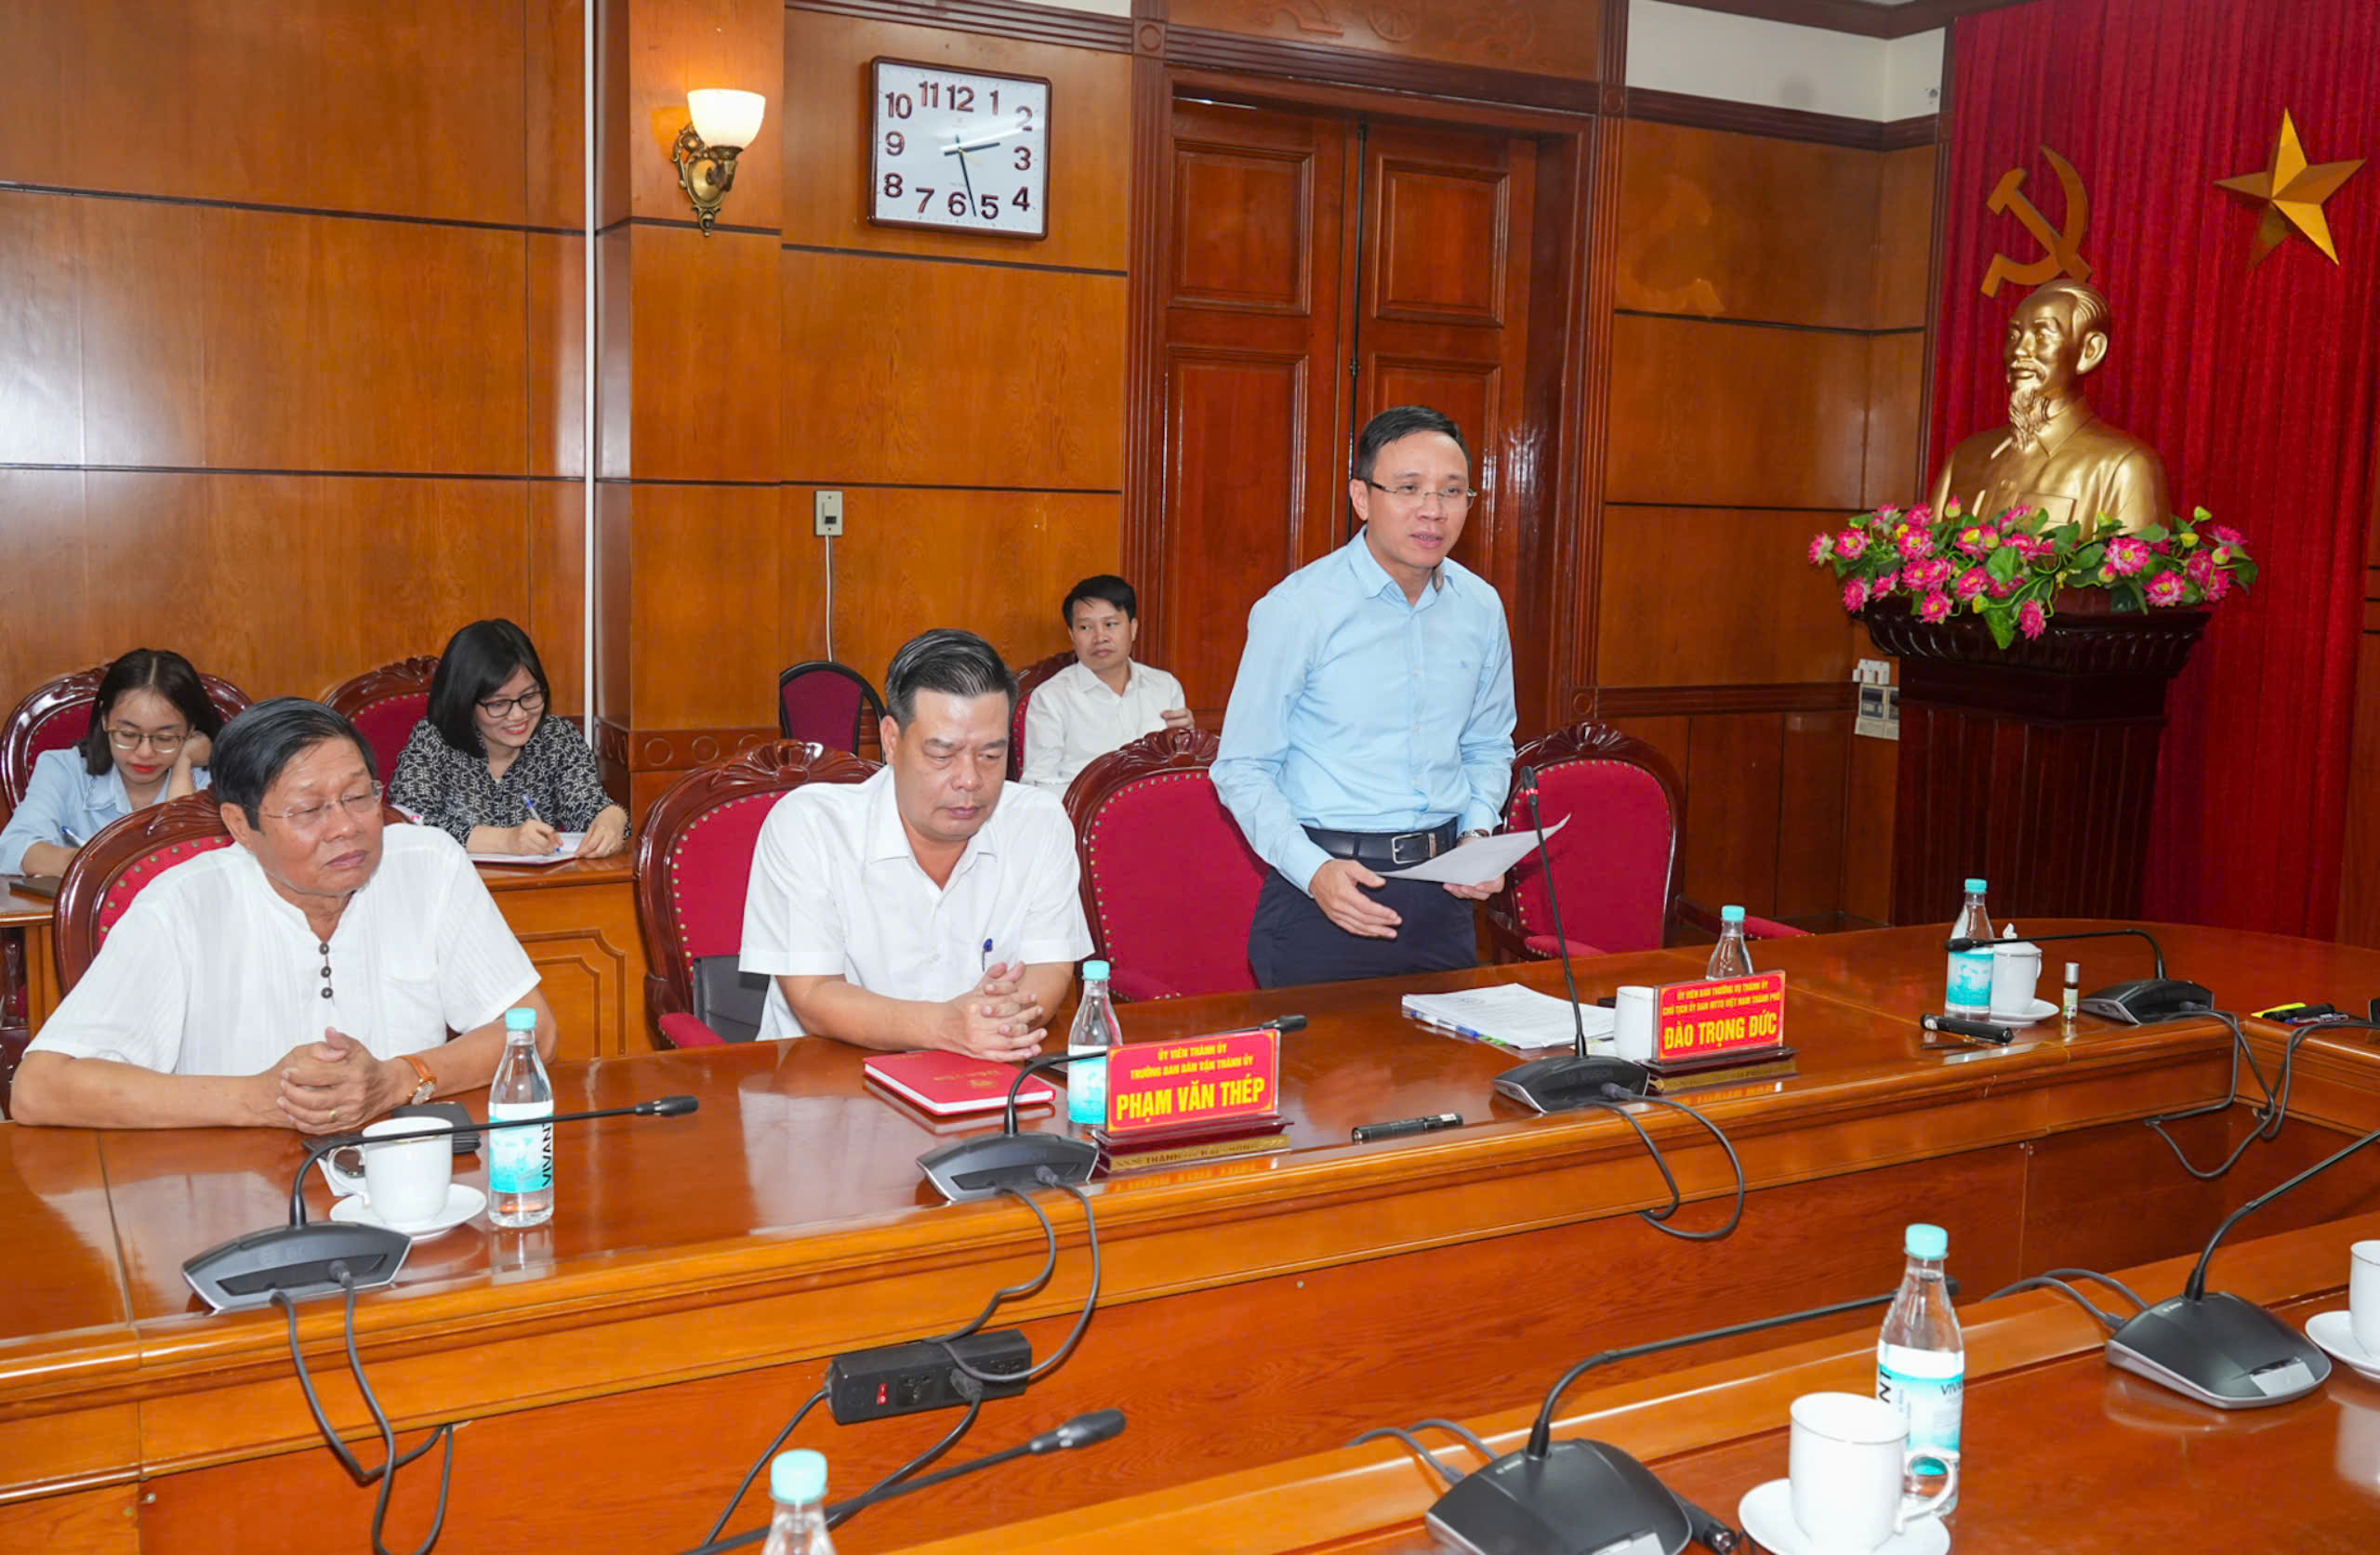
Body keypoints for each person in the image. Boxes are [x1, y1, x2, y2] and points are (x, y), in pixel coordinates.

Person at [9, 699, 556, 1132]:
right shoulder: (181, 904)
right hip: (231, 1196)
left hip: (406, 1176)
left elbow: (535, 1031)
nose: (346, 827)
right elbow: (39, 1088)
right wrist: (260, 1099)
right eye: (308, 810)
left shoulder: (429, 863)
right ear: (241, 826)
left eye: (359, 797)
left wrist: (399, 1080)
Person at [1212, 405, 1517, 989]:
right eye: (1409, 488)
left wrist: (1478, 835)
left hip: (1445, 898)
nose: (1433, 510)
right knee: (1330, 1054)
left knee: (1452, 1052)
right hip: (1328, 895)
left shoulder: (1480, 607)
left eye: (1452, 491)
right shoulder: (1298, 609)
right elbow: (1242, 768)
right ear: (1361, 497)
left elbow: (1487, 744)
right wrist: (1313, 871)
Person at [740, 629, 1093, 1057]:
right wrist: (946, 1027)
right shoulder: (810, 825)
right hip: (827, 1076)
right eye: (942, 755)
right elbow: (813, 995)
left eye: (990, 755)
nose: (970, 779)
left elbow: (1050, 965)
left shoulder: (1039, 821)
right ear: (891, 740)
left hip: (982, 1074)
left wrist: (1000, 1018)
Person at [1928, 278, 2171, 535]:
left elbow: (2136, 559)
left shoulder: (2124, 467)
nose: (2019, 351)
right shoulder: (1965, 457)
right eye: (2014, 336)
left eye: (2041, 335)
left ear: (2089, 351)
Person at [388, 619, 630, 859]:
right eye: (499, 703)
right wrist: (505, 841)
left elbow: (586, 806)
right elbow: (409, 822)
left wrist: (612, 817)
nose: (518, 715)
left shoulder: (557, 738)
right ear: (465, 701)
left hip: (539, 883)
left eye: (529, 696)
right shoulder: (434, 739)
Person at [0, 649, 226, 877]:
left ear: (191, 728)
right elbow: (12, 848)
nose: (145, 752)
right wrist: (91, 862)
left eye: (165, 738)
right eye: (128, 734)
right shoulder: (63, 769)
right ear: (105, 718)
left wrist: (182, 767)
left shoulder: (217, 778)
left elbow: (194, 867)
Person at [1020, 574, 1193, 794]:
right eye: (1085, 627)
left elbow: (1180, 770)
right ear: (1072, 635)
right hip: (1084, 812)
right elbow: (1038, 786)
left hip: (1159, 805)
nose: (1100, 637)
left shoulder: (1165, 687)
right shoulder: (1050, 698)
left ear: (1133, 628)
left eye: (1110, 624)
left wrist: (1189, 740)